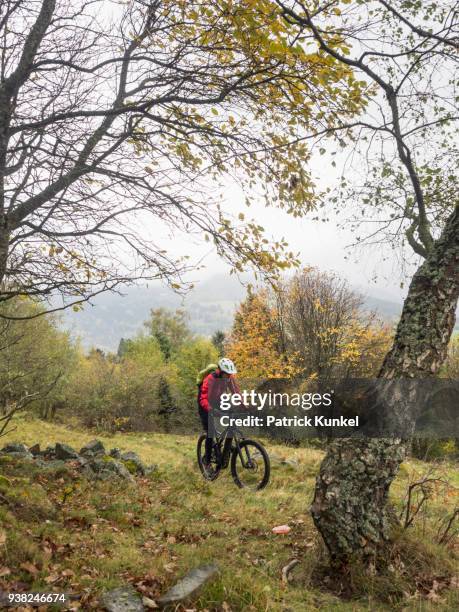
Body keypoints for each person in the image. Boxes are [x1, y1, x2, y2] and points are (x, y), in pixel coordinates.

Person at [197, 357, 240, 473]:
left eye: (230, 374)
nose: (228, 376)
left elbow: (236, 393)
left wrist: (245, 406)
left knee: (233, 419)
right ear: (220, 371)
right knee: (210, 431)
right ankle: (206, 461)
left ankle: (227, 448)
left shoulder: (229, 378)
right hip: (205, 404)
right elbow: (203, 398)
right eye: (226, 374)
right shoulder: (210, 379)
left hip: (218, 401)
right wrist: (210, 409)